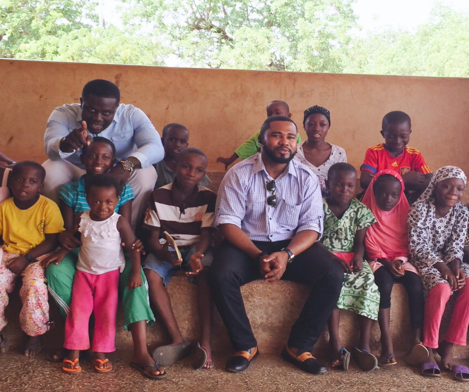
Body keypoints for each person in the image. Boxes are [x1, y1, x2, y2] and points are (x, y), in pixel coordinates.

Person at [211, 115, 344, 375]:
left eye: (291, 137)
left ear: (296, 144)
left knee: (332, 273)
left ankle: (299, 346)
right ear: (262, 139)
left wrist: (286, 254)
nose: (284, 142)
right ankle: (244, 346)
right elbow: (228, 223)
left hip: (290, 245)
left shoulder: (306, 177)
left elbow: (311, 227)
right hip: (246, 243)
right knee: (220, 274)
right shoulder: (239, 174)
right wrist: (258, 254)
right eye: (277, 135)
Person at [43, 138, 162, 379]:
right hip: (83, 253)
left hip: (113, 256)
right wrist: (62, 249)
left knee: (135, 277)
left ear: (113, 161)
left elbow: (124, 229)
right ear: (81, 158)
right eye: (92, 156)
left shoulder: (122, 191)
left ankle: (139, 351)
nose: (98, 161)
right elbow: (72, 232)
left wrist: (134, 251)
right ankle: (77, 342)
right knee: (56, 272)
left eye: (105, 157)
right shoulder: (70, 191)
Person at [60, 174, 158, 376]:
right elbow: (75, 238)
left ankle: (101, 353)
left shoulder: (118, 222)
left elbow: (133, 248)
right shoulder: (82, 218)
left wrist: (135, 272)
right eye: (96, 201)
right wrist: (61, 251)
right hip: (84, 273)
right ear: (87, 199)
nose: (102, 206)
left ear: (116, 201)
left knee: (106, 313)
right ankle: (73, 352)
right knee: (78, 312)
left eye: (109, 202)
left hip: (109, 275)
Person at [43, 79, 164, 229]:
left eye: (106, 113)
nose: (97, 118)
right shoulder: (63, 114)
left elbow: (157, 147)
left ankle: (127, 234)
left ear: (116, 108)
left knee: (146, 174)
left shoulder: (132, 115)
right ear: (82, 102)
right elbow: (50, 149)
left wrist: (127, 165)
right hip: (78, 170)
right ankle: (59, 231)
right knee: (50, 170)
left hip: (117, 172)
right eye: (91, 110)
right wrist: (65, 144)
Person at [143, 148, 217, 370]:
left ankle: (205, 342)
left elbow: (206, 235)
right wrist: (163, 254)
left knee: (206, 272)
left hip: (197, 247)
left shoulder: (208, 198)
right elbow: (152, 238)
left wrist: (197, 255)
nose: (191, 173)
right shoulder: (158, 196)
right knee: (150, 274)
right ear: (174, 166)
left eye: (198, 170)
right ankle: (176, 339)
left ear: (204, 174)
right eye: (186, 166)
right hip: (166, 248)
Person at [407, 166, 469, 381]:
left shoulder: (461, 212)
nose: (453, 192)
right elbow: (417, 247)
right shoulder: (420, 209)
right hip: (425, 262)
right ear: (435, 187)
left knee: (468, 284)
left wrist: (456, 268)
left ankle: (449, 347)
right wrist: (443, 268)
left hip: (449, 263)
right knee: (442, 287)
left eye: (459, 188)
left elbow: (456, 246)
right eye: (447, 186)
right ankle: (430, 348)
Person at [362, 170, 426, 367]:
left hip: (401, 257)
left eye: (393, 195)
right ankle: (386, 340)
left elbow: (408, 240)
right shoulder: (366, 211)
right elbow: (369, 243)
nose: (387, 199)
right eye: (381, 193)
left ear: (401, 196)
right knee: (384, 283)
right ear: (373, 192)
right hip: (378, 259)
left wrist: (399, 260)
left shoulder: (405, 213)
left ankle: (416, 339)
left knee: (415, 285)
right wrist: (388, 263)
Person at [319, 163, 380, 372]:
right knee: (333, 283)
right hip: (325, 256)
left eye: (350, 185)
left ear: (356, 188)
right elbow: (313, 240)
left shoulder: (360, 210)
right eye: (338, 185)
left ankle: (363, 344)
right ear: (327, 184)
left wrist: (358, 258)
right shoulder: (319, 207)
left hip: (351, 257)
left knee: (368, 283)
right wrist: (331, 258)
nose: (344, 190)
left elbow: (359, 244)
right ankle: (334, 343)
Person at [0, 161, 63, 356]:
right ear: (10, 182)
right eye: (19, 179)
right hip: (9, 253)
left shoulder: (48, 207)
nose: (25, 185)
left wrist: (26, 258)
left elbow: (52, 241)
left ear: (40, 186)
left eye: (32, 181)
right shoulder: (4, 208)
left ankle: (34, 334)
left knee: (34, 285)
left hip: (38, 256)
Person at [360, 111, 432, 200]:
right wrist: (403, 179)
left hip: (404, 200)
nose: (398, 141)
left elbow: (429, 179)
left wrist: (381, 181)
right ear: (383, 134)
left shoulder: (414, 154)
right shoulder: (374, 152)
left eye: (403, 136)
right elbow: (364, 181)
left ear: (410, 132)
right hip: (377, 199)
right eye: (391, 136)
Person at [216, 100, 301, 170]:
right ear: (261, 139)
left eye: (277, 113)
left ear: (288, 115)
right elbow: (248, 146)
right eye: (269, 114)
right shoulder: (262, 133)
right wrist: (230, 160)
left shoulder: (296, 135)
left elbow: (299, 155)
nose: (273, 116)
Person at [296, 106, 347, 197]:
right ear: (304, 126)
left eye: (322, 125)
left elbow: (343, 182)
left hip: (330, 207)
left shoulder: (338, 153)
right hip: (300, 204)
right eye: (311, 124)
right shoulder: (294, 152)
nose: (316, 128)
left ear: (328, 127)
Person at [154, 123, 211, 189]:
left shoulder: (194, 166)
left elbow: (204, 191)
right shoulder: (156, 165)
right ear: (162, 141)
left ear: (186, 145)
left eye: (182, 142)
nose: (177, 144)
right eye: (172, 140)